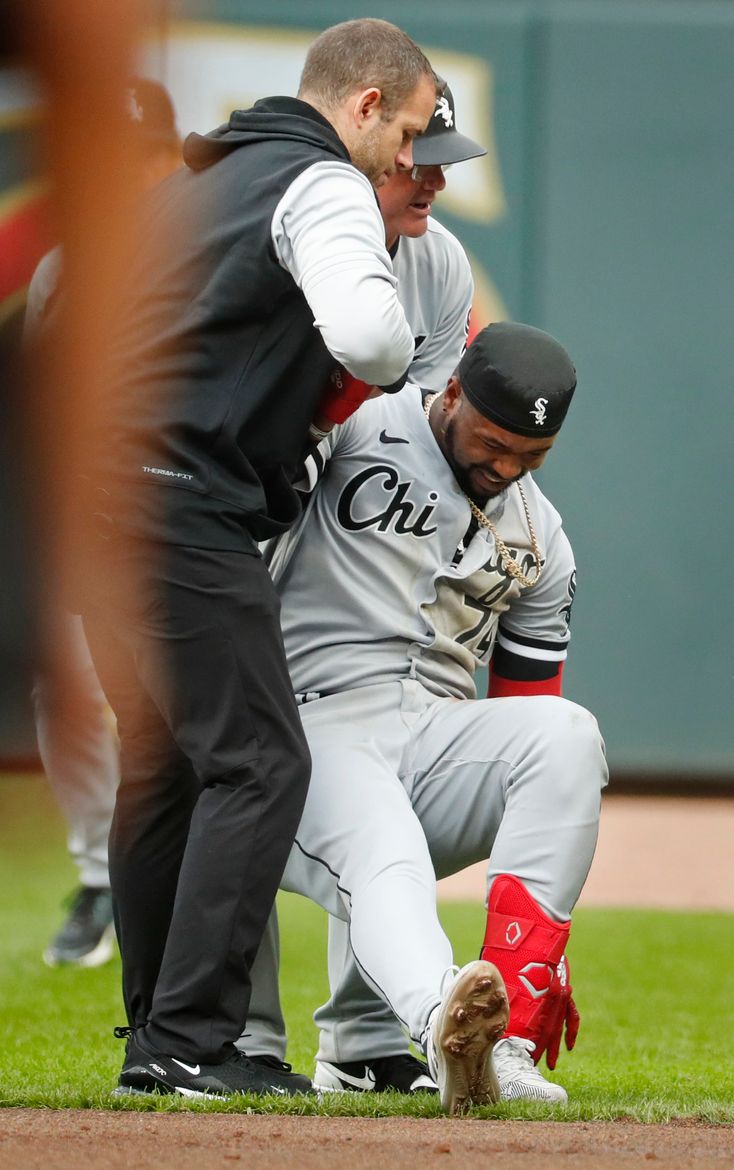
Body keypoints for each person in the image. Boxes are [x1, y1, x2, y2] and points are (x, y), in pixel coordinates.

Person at [74, 18, 438, 1099]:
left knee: (165, 764)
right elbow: (373, 338)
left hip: (95, 501)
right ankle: (191, 1039)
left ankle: (156, 1035)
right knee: (261, 761)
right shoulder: (320, 181)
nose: (413, 158)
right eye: (411, 129)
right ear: (365, 106)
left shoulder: (198, 179)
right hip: (178, 501)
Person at [264, 321, 608, 1106]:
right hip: (304, 727)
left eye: (532, 456)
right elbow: (244, 518)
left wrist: (541, 946)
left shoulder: (538, 533)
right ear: (450, 391)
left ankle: (500, 1042)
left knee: (567, 737)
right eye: (493, 442)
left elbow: (527, 712)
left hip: (429, 737)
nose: (506, 467)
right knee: (384, 837)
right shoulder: (357, 428)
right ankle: (438, 1028)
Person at [241, 80, 488, 1093]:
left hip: (349, 520)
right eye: (417, 155)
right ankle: (235, 1038)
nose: (433, 176)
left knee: (379, 740)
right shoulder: (290, 218)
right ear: (371, 138)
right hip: (230, 505)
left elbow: (418, 432)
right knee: (225, 762)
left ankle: (369, 1041)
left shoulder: (435, 263)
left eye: (445, 157)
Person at [25, 78, 183, 970]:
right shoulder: (67, 268)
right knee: (67, 690)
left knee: (188, 712)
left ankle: (182, 883)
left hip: (202, 515)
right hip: (95, 524)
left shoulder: (219, 243)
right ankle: (100, 878)